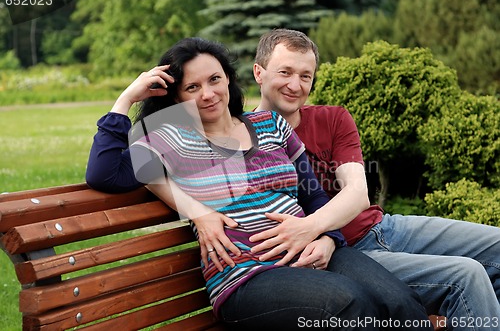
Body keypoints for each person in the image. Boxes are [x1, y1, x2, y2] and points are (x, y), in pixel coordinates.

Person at [86, 37, 433, 330]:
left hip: (311, 250)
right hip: (246, 275)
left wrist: (328, 237)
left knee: (400, 301)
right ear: (176, 98)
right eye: (192, 87)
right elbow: (104, 173)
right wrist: (126, 98)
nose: (207, 94)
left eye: (214, 79)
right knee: (348, 303)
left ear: (229, 80)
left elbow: (313, 196)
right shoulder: (170, 140)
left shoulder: (270, 125)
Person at [250, 28, 500, 329]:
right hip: (348, 255)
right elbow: (184, 146)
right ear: (258, 73)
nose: (295, 85)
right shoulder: (244, 139)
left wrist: (313, 227)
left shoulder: (332, 118)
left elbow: (357, 193)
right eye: (285, 72)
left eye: (305, 76)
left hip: (384, 228)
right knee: (466, 276)